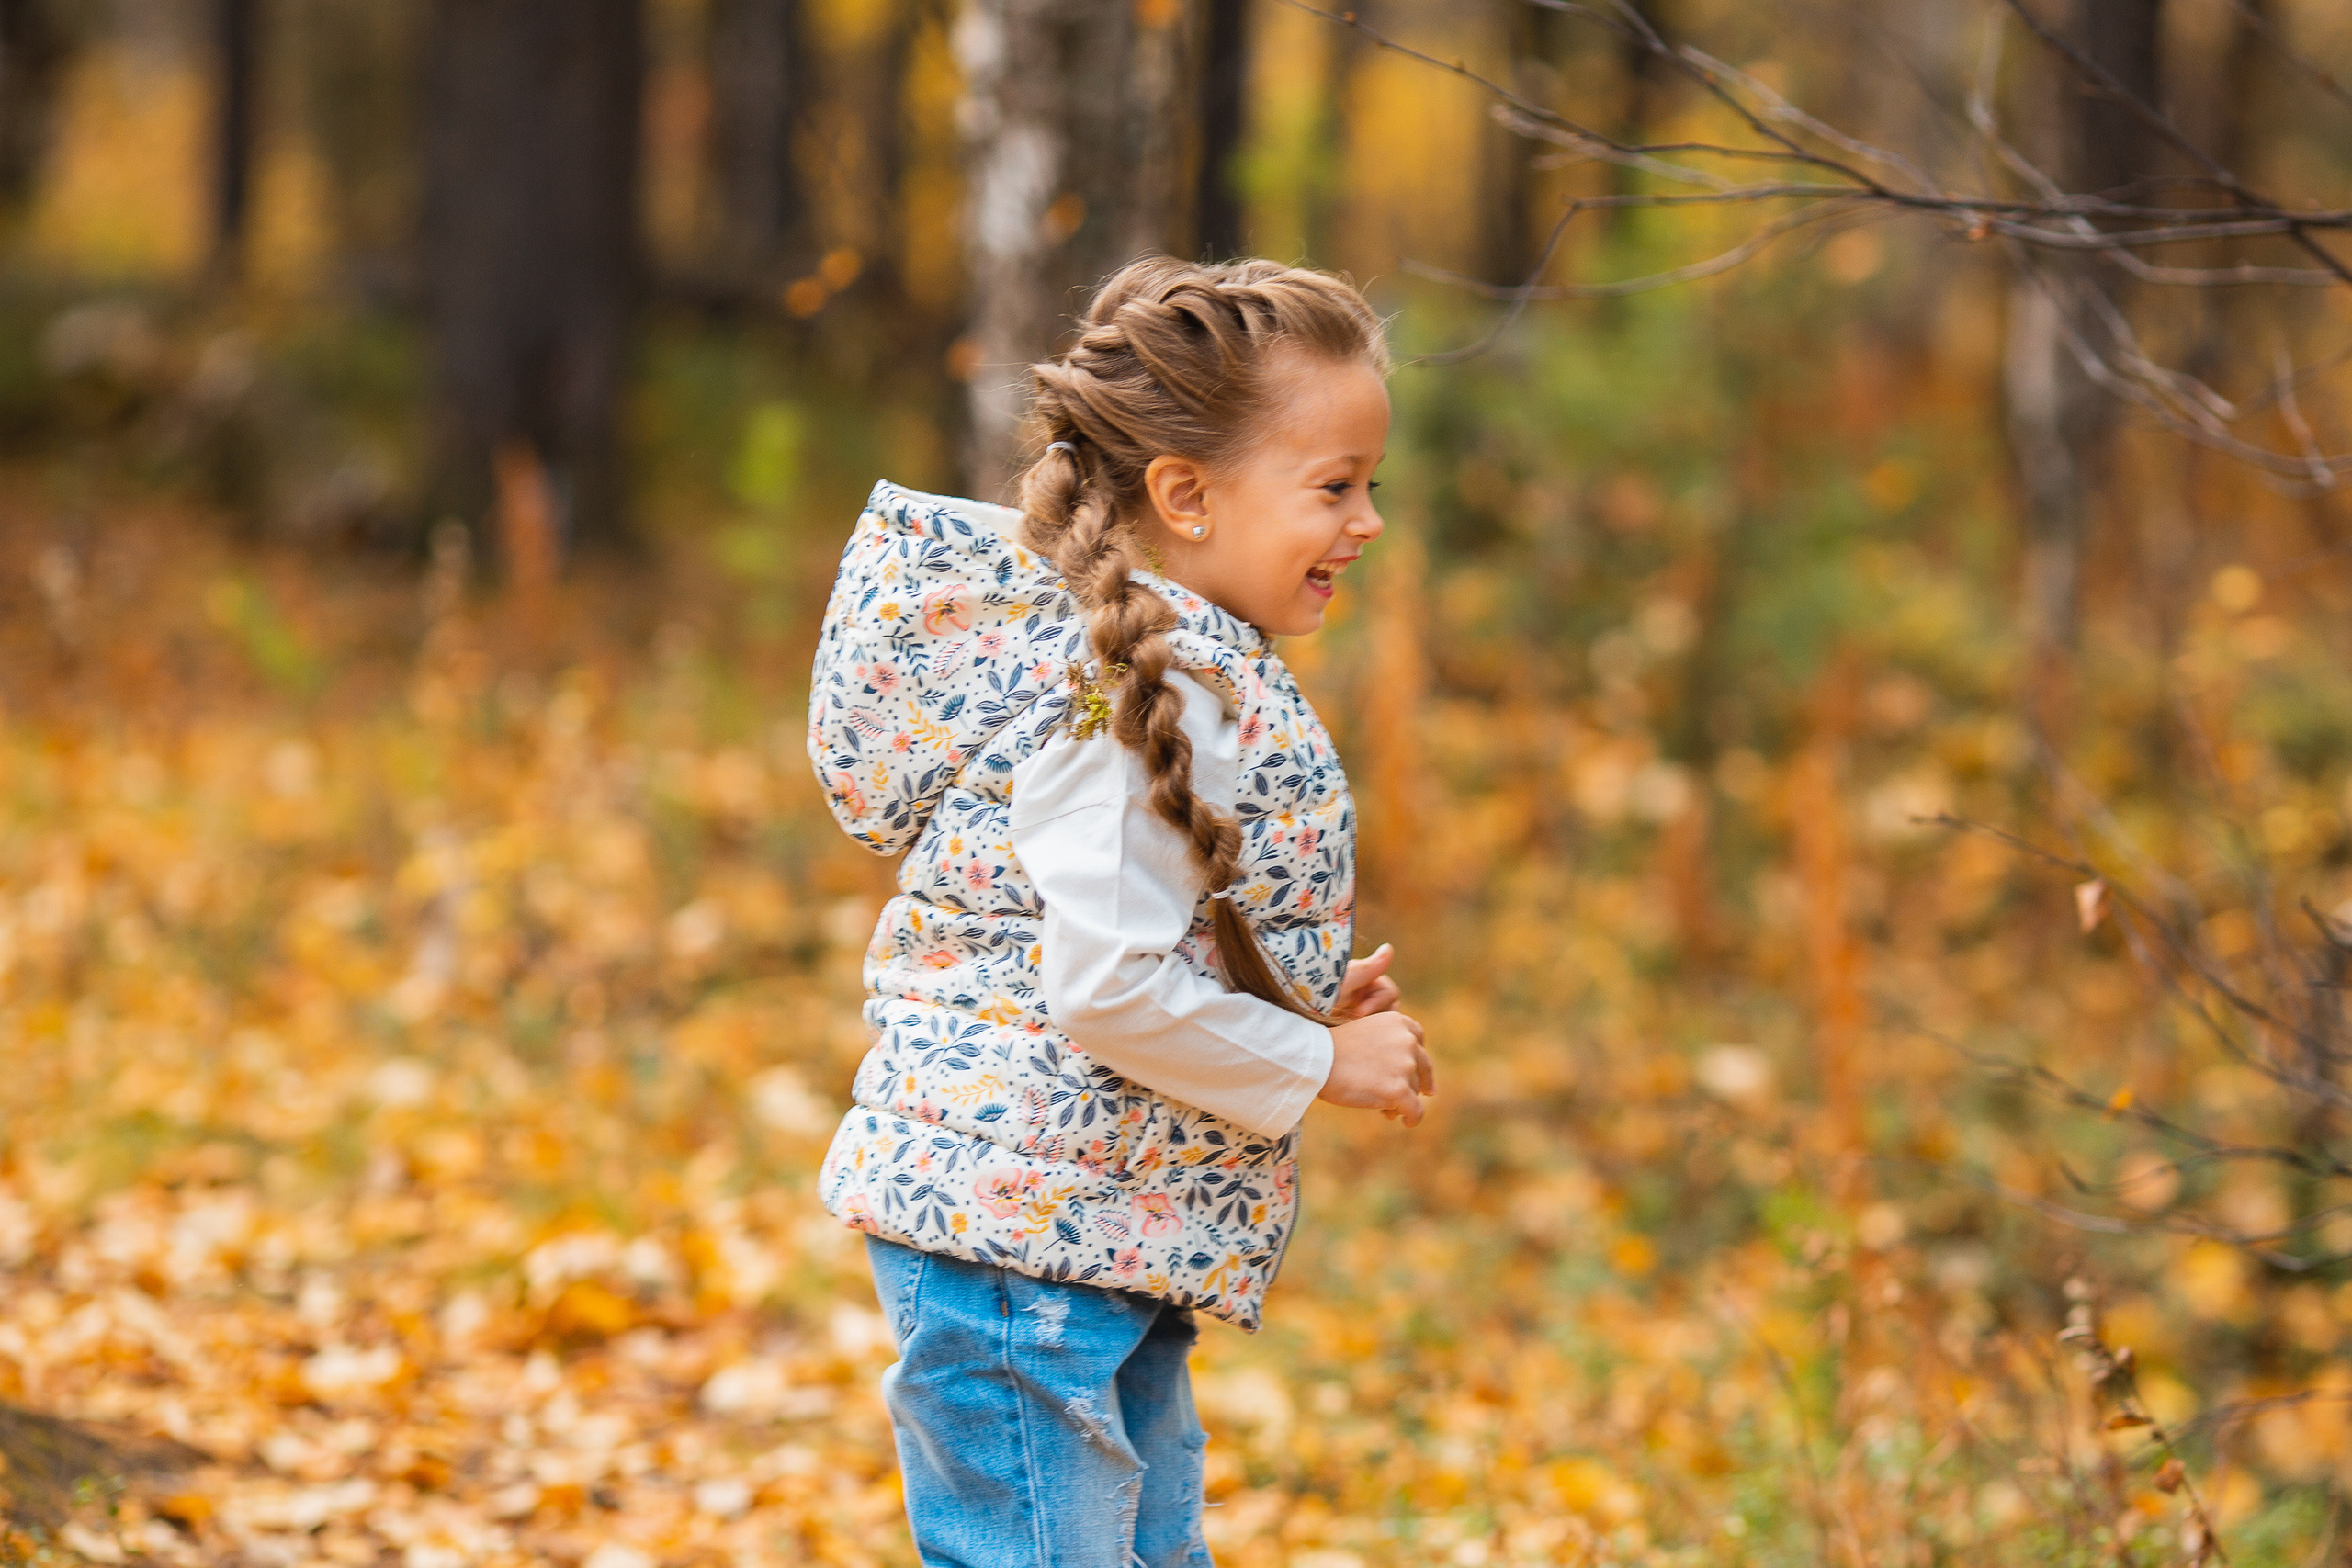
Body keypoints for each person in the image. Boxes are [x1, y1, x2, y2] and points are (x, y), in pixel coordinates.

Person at [806, 256, 1434, 1567]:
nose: (1369, 521)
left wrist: (1290, 1004)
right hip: (1022, 1243)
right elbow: (1102, 992)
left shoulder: (1173, 668)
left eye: (1370, 484)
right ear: (1185, 496)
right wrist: (1319, 1063)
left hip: (1087, 1225)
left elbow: (1127, 939)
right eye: (1335, 488)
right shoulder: (1153, 691)